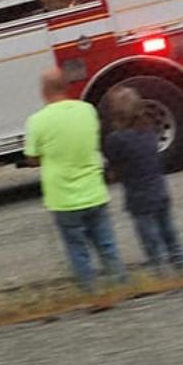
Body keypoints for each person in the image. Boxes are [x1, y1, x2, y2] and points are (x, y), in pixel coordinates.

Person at [23, 68, 126, 292]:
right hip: (94, 191)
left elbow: (32, 158)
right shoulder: (87, 111)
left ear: (43, 91)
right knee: (107, 245)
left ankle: (91, 292)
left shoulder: (37, 121)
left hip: (63, 198)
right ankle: (121, 286)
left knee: (77, 250)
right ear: (65, 87)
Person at [102, 87, 183, 275]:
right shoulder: (149, 132)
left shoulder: (115, 140)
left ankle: (159, 271)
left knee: (150, 239)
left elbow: (113, 169)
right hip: (160, 190)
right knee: (170, 233)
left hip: (139, 197)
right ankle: (182, 266)